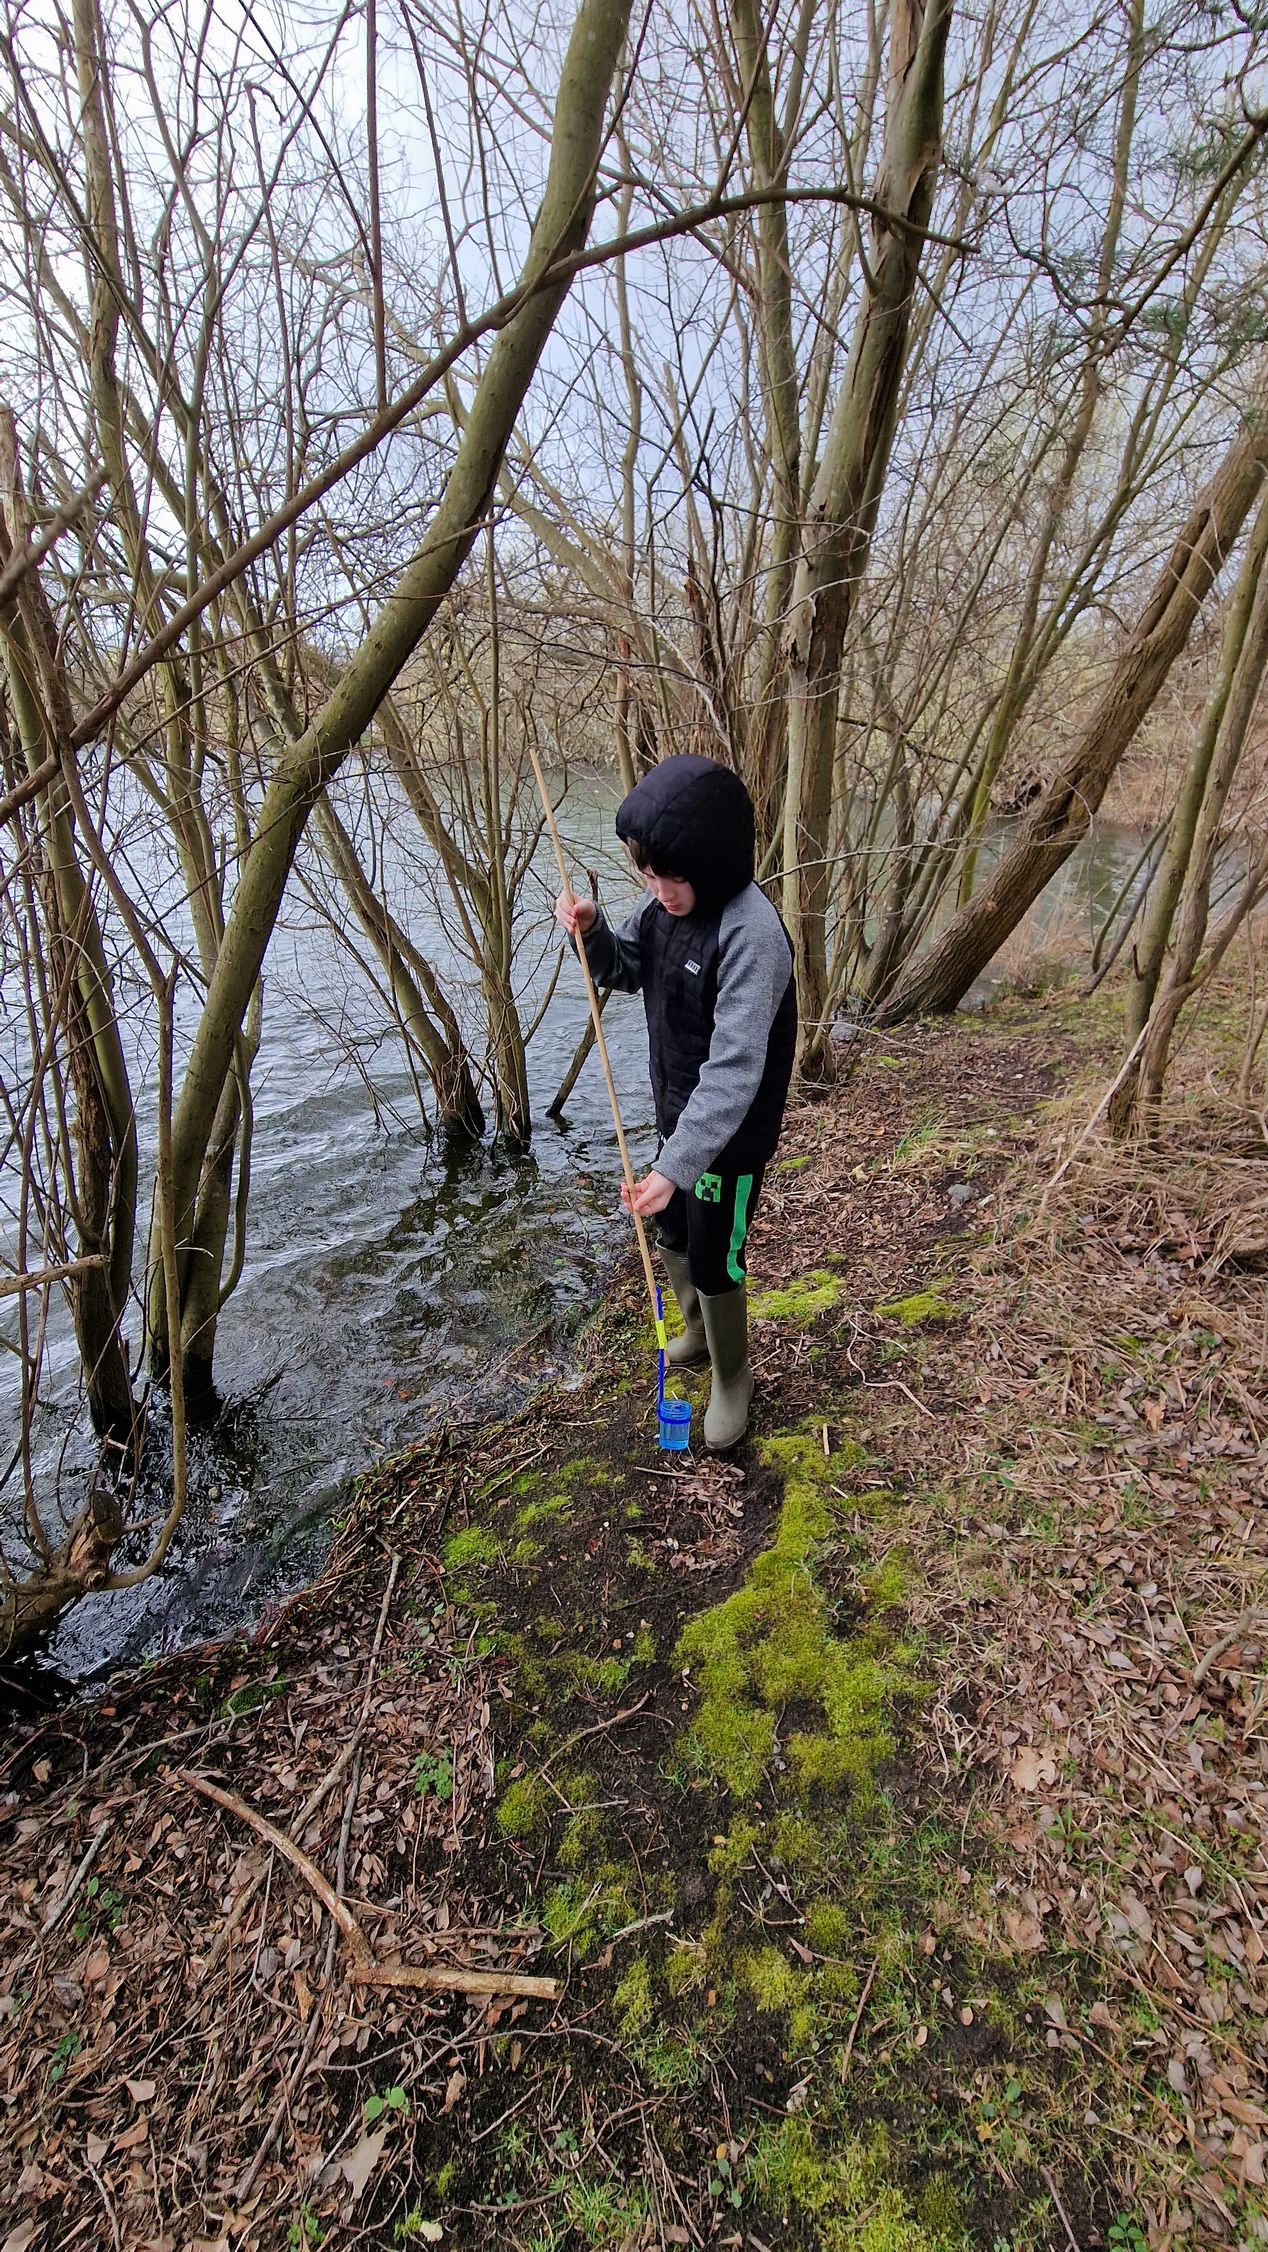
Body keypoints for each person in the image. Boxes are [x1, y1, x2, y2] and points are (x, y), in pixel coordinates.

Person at [554, 754, 796, 1449]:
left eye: (670, 875)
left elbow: (735, 1069)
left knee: (717, 1249)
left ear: (713, 862)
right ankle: (691, 1328)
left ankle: (732, 1377)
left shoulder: (751, 934)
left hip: (731, 1133)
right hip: (677, 1113)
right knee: (674, 1232)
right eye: (647, 874)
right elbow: (623, 970)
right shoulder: (661, 909)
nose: (657, 889)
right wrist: (594, 931)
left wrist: (676, 1165)